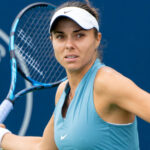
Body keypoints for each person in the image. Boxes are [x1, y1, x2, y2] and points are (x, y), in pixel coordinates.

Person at [0, 0, 150, 149]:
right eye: (60, 36)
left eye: (79, 35)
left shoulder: (107, 82)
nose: (69, 45)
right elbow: (44, 147)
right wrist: (2, 136)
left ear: (97, 39)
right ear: (51, 40)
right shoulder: (62, 92)